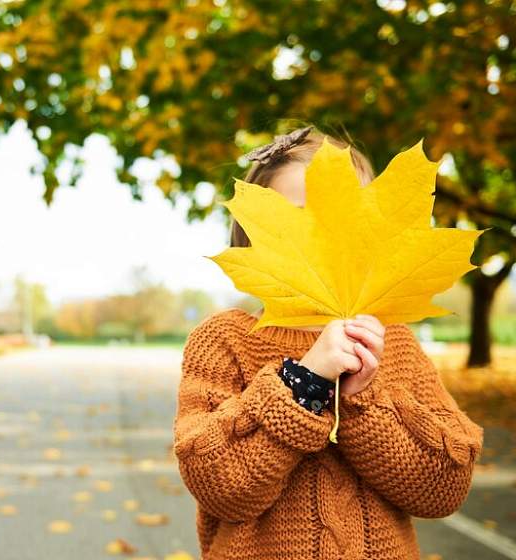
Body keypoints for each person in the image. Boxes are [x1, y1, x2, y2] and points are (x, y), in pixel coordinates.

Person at [173, 124, 484, 560]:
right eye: (299, 220)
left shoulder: (393, 342)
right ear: (252, 237)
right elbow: (219, 485)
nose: (323, 238)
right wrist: (304, 384)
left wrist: (363, 402)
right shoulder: (225, 340)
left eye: (342, 220)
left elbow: (445, 487)